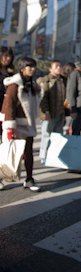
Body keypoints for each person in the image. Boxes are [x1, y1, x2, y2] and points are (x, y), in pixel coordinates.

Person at [1, 56, 41, 192]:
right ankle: (2, 177)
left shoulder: (31, 84)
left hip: (28, 125)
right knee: (11, 153)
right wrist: (9, 128)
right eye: (30, 67)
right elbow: (9, 106)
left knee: (28, 154)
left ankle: (29, 179)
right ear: (22, 68)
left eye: (34, 66)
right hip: (17, 125)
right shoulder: (15, 85)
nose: (33, 69)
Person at [37, 60, 67, 162]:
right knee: (46, 135)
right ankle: (43, 156)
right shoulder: (46, 80)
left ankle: (54, 156)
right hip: (49, 113)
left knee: (58, 136)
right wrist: (46, 112)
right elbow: (43, 99)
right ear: (50, 69)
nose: (59, 68)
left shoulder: (63, 80)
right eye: (56, 66)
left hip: (60, 112)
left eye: (60, 66)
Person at [0, 47, 14, 144]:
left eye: (9, 56)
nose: (7, 59)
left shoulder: (11, 73)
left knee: (5, 135)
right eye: (5, 56)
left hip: (7, 107)